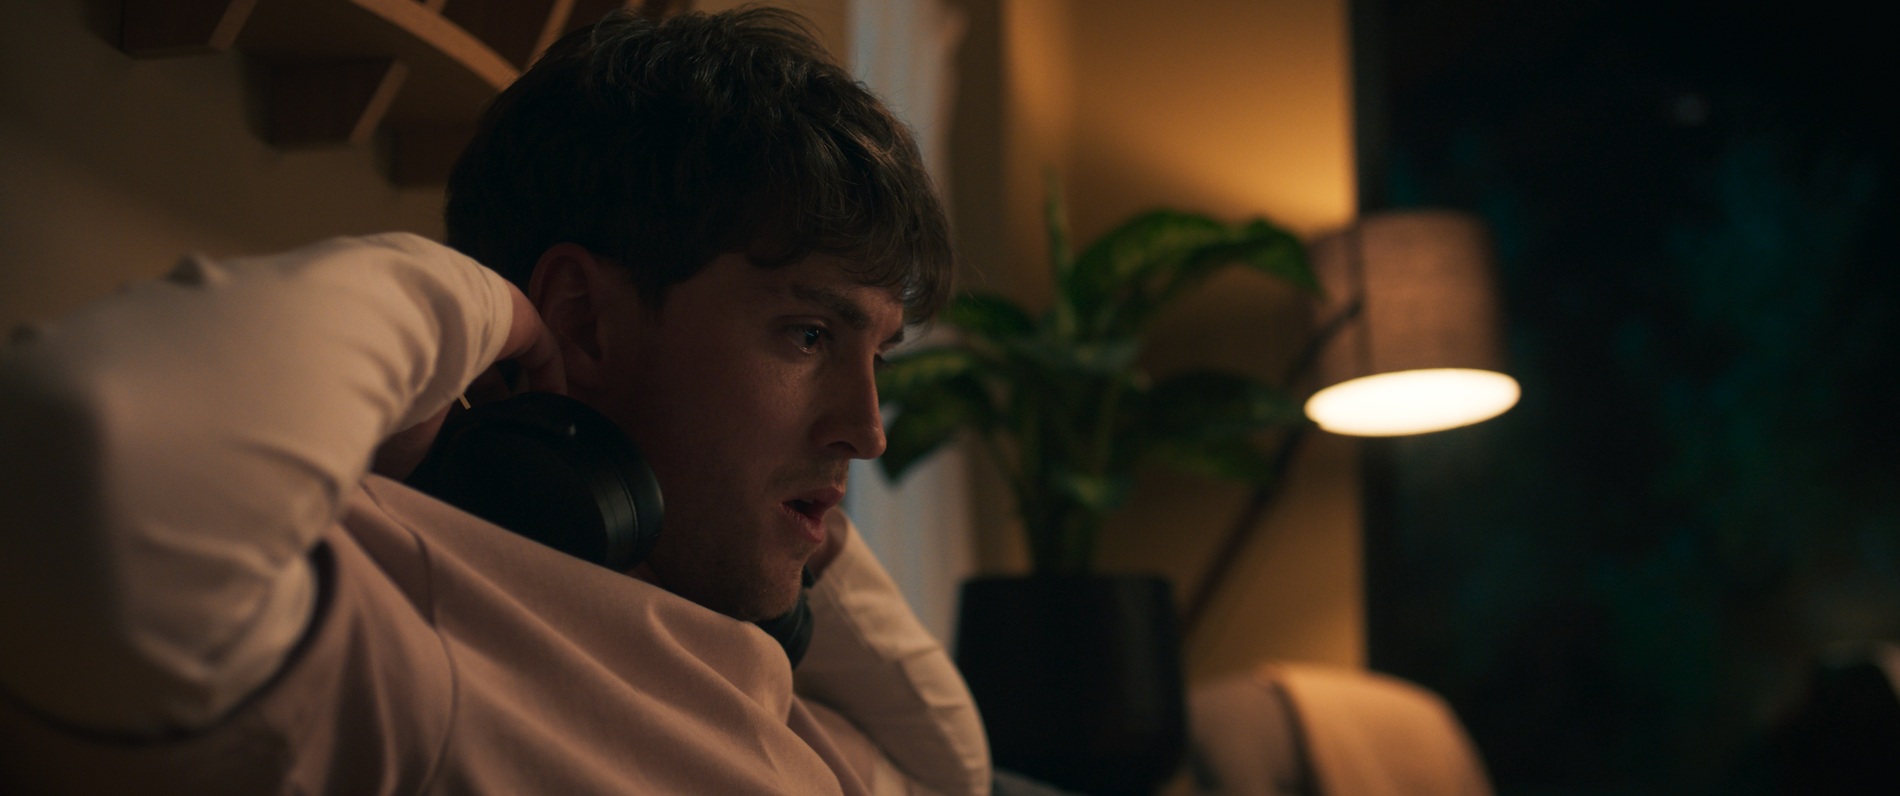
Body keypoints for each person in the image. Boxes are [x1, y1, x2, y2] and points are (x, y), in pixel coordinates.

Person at [0, 8, 989, 795]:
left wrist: (805, 532)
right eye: (808, 336)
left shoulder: (738, 652)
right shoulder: (429, 619)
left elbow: (953, 770)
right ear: (584, 322)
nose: (867, 431)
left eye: (876, 356)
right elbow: (83, 468)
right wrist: (473, 302)